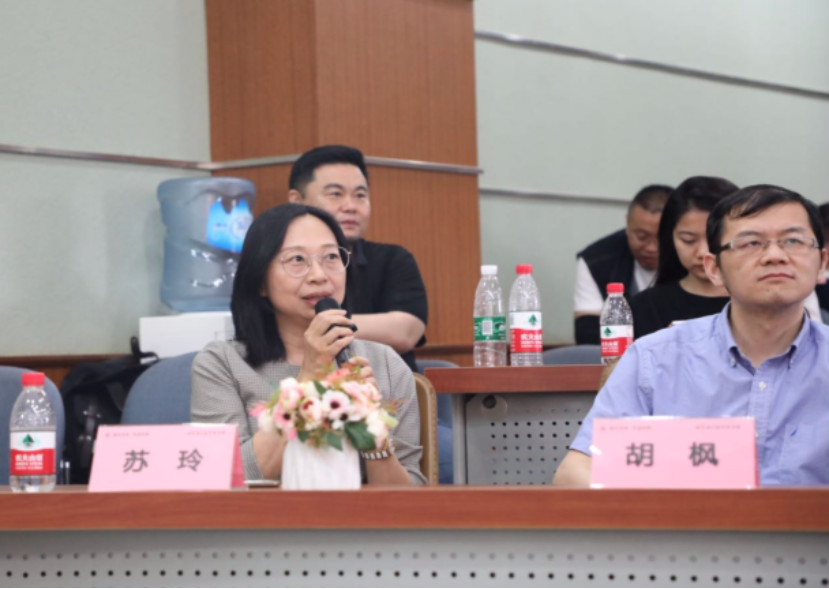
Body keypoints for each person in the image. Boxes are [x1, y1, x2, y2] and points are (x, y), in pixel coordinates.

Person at [555, 185, 829, 487]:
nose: (775, 256)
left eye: (793, 241)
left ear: (823, 263)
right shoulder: (654, 358)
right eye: (751, 243)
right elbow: (576, 472)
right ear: (714, 269)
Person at [191, 203, 426, 485]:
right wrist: (308, 382)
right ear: (260, 281)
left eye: (331, 257)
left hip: (357, 515)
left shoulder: (383, 362)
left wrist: (374, 438)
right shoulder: (222, 364)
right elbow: (225, 480)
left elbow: (412, 497)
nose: (319, 275)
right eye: (297, 260)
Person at [288, 146, 428, 372]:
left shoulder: (393, 259)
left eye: (360, 195)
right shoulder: (280, 263)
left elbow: (406, 332)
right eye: (335, 194)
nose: (350, 206)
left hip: (382, 387)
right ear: (296, 200)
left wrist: (303, 325)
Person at [629, 176, 737, 339]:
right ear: (670, 237)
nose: (702, 252)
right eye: (688, 240)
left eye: (712, 239)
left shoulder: (761, 303)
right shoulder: (644, 307)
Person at [574, 184, 673, 344]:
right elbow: (586, 332)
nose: (651, 248)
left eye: (662, 238)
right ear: (627, 223)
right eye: (641, 237)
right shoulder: (596, 260)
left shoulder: (695, 262)